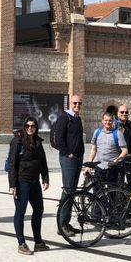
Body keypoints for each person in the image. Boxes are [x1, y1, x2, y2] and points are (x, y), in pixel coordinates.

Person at [8, 117, 50, 255]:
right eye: (27, 126)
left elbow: (42, 161)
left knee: (39, 209)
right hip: (21, 181)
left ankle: (38, 242)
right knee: (20, 211)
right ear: (24, 127)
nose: (30, 128)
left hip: (34, 181)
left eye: (32, 126)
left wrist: (45, 178)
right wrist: (13, 184)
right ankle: (21, 243)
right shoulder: (17, 141)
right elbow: (12, 164)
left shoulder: (38, 141)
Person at [53, 94, 85, 238]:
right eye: (75, 103)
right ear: (70, 104)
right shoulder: (64, 117)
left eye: (79, 103)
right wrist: (67, 153)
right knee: (68, 190)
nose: (77, 105)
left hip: (78, 158)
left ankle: (65, 222)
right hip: (69, 159)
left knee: (72, 190)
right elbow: (59, 138)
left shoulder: (77, 118)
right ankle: (62, 225)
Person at [86, 112, 128, 184]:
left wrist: (116, 161)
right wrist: (89, 165)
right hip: (99, 168)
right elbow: (93, 149)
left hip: (113, 169)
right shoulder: (97, 132)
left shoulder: (118, 133)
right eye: (106, 120)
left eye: (110, 120)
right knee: (97, 193)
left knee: (112, 193)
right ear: (102, 121)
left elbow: (125, 150)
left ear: (113, 121)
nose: (108, 122)